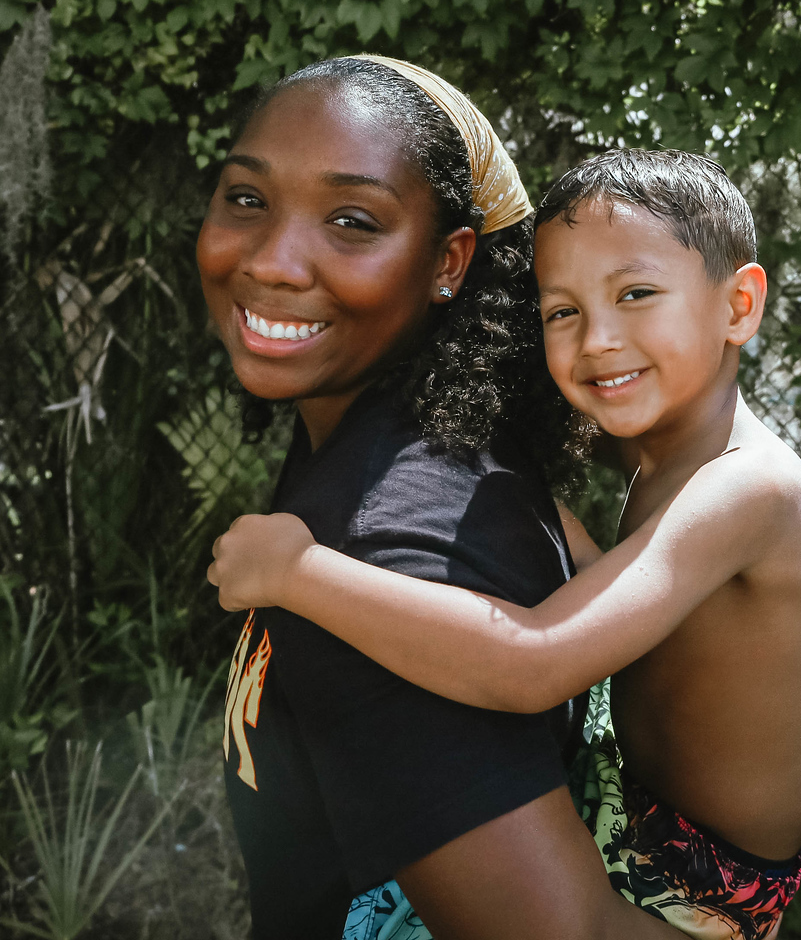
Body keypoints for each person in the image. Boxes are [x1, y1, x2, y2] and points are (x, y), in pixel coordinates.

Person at [209, 149, 801, 939]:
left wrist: (297, 572)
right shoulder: (672, 449)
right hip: (631, 815)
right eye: (561, 312)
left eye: (636, 295)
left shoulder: (751, 488)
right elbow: (637, 601)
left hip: (692, 899)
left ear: (738, 305)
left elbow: (534, 665)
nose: (598, 340)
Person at [198, 57, 676, 940]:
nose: (270, 261)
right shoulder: (397, 451)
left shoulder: (382, 552)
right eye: (246, 199)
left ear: (448, 261)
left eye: (351, 221)